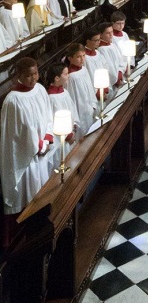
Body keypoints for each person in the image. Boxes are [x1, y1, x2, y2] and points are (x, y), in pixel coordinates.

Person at [0, 57, 55, 216]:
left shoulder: (40, 89)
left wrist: (47, 137)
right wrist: (39, 145)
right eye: (29, 76)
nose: (34, 79)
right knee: (31, 194)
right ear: (19, 75)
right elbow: (18, 133)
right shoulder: (13, 100)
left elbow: (47, 115)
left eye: (36, 73)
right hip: (28, 156)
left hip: (42, 147)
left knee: (44, 190)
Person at [65, 43, 97, 138]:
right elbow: (73, 99)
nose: (82, 59)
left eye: (84, 55)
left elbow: (90, 90)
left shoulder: (84, 69)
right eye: (79, 57)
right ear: (70, 58)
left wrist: (93, 105)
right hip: (80, 113)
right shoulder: (71, 77)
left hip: (89, 110)